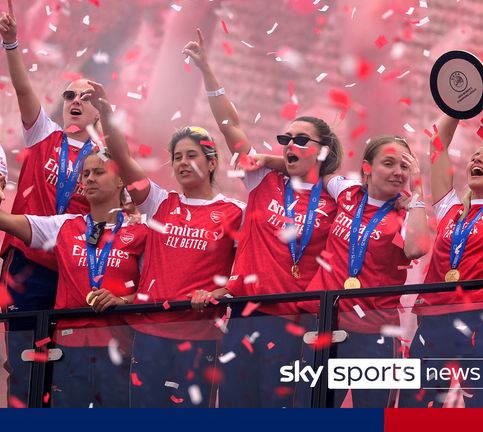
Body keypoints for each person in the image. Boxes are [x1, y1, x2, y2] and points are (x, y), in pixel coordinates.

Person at [182, 29, 343, 407]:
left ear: (324, 151)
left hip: (295, 323)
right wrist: (207, 71)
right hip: (243, 316)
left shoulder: (336, 196)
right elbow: (229, 127)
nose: (290, 146)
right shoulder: (263, 179)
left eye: (302, 140)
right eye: (285, 139)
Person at [89, 81, 245, 407]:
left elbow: (246, 274)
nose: (183, 163)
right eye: (177, 158)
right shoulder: (159, 201)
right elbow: (121, 157)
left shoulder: (234, 212)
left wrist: (215, 294)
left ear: (213, 162)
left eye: (192, 155)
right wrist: (106, 114)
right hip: (149, 335)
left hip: (199, 338)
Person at [398, 55, 483, 408]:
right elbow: (437, 145)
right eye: (476, 155)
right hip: (434, 316)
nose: (478, 159)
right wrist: (462, 99)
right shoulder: (449, 209)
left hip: (482, 319)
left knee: (481, 410)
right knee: (416, 407)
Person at [1, 0, 98, 404]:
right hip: (26, 262)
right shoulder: (44, 134)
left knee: (65, 363)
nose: (75, 99)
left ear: (101, 108)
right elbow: (24, 88)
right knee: (24, 362)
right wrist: (11, 44)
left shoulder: (106, 159)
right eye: (69, 94)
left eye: (86, 96)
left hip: (74, 267)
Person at [0, 149, 147, 407]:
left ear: (120, 179)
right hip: (69, 353)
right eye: (85, 173)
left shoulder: (141, 232)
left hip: (120, 351)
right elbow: (8, 222)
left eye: (98, 172)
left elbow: (154, 291)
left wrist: (122, 300)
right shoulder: (64, 226)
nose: (89, 179)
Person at [299, 135, 429, 407]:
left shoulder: (406, 214)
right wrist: (265, 160)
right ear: (367, 167)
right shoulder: (346, 191)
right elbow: (313, 172)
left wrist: (417, 190)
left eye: (405, 166)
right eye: (389, 163)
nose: (398, 172)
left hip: (375, 338)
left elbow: (416, 248)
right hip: (325, 328)